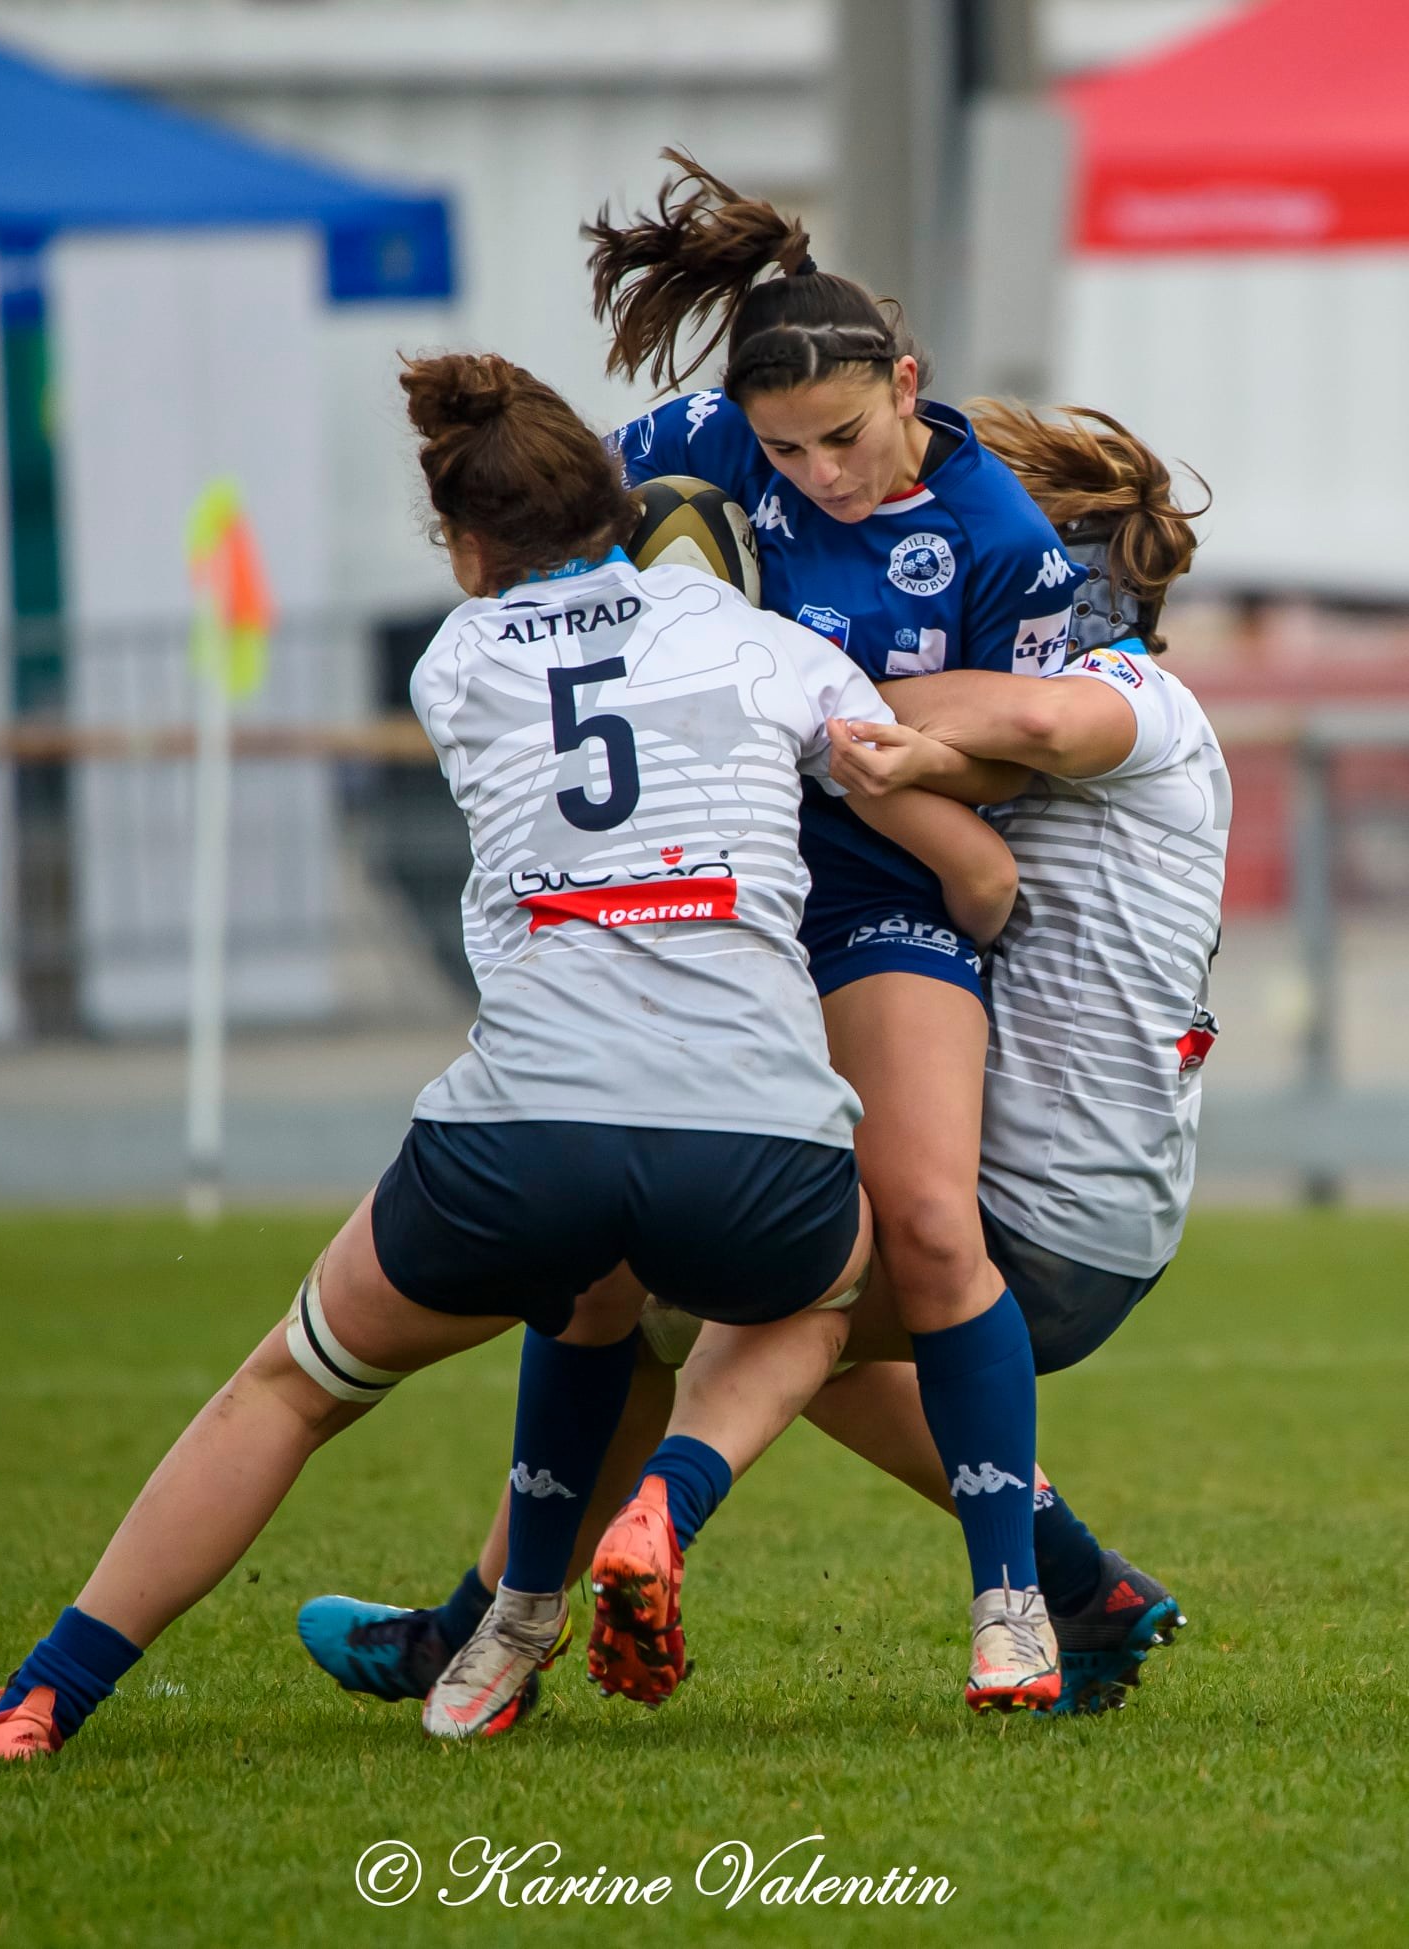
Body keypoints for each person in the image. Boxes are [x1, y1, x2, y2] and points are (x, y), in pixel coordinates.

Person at [0, 349, 1026, 1760]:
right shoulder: (765, 644)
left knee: (300, 1379)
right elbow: (968, 862)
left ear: (463, 544)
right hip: (752, 1142)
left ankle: (45, 1696)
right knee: (812, 1296)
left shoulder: (454, 662)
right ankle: (693, 1555)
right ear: (624, 512)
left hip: (525, 1130)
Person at [300, 162, 1214, 1718]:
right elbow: (572, 523)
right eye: (787, 448)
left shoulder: (1012, 562)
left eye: (846, 440)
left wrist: (848, 723)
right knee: (640, 1276)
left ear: (911, 394)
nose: (818, 477)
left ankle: (1008, 1607)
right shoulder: (716, 446)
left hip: (890, 923)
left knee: (838, 1257)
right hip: (736, 901)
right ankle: (509, 1622)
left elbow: (1001, 772)